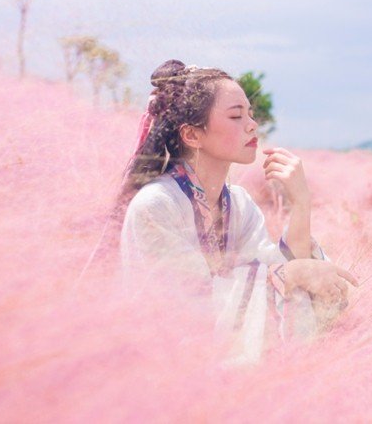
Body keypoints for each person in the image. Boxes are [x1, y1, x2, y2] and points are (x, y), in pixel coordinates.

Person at [116, 59, 359, 366]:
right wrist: (293, 274)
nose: (252, 124)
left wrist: (301, 203)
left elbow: (275, 269)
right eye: (236, 116)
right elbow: (179, 304)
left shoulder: (239, 203)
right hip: (163, 361)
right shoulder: (156, 204)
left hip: (219, 351)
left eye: (250, 113)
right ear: (192, 135)